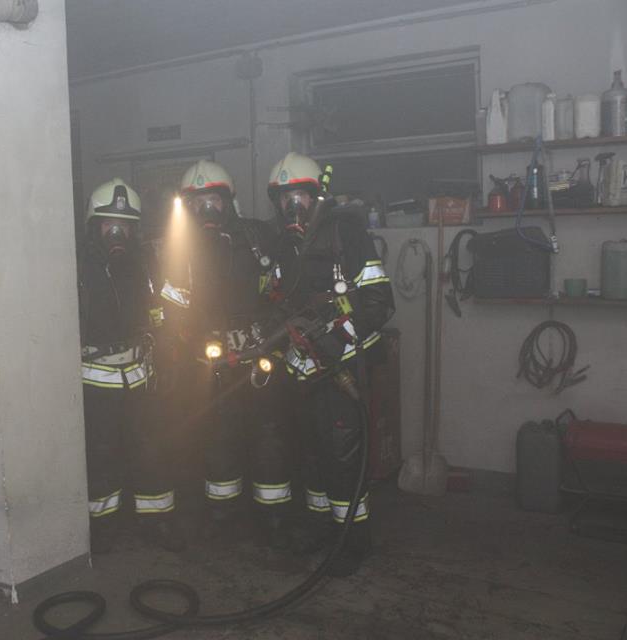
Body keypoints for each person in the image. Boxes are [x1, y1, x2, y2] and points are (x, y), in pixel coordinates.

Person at [266, 152, 395, 575]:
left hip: (343, 366)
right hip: (303, 368)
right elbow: (278, 300)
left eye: (299, 196)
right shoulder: (284, 244)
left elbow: (379, 301)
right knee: (311, 454)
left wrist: (337, 340)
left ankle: (353, 542)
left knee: (342, 457)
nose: (292, 206)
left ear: (316, 195)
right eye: (284, 198)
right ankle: (322, 528)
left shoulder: (346, 233)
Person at [159, 160, 293, 549]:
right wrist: (186, 338)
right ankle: (223, 516)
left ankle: (273, 519)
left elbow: (286, 288)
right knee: (219, 439)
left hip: (259, 356)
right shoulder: (179, 247)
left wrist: (272, 331)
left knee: (269, 437)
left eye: (213, 200)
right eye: (197, 202)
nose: (207, 209)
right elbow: (172, 306)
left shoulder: (257, 237)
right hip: (211, 363)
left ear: (228, 200)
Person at [78, 178, 185, 554]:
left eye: (125, 226)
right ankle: (103, 527)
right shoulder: (79, 268)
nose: (117, 233)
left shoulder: (145, 265)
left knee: (151, 448)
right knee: (102, 453)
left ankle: (156, 522)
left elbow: (173, 303)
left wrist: (171, 341)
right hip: (94, 379)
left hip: (141, 375)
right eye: (110, 224)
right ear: (95, 227)